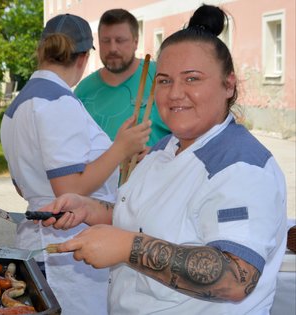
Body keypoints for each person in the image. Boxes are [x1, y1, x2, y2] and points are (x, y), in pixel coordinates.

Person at [39, 5, 288, 314]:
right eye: (165, 80)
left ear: (228, 84)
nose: (175, 94)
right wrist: (89, 208)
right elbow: (148, 219)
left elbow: (236, 278)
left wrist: (127, 247)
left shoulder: (242, 166)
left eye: (192, 79)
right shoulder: (165, 148)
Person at [0, 13, 151, 315]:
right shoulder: (58, 102)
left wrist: (118, 161)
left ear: (42, 50)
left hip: (43, 245)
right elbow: (68, 189)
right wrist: (120, 148)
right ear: (83, 57)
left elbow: (23, 185)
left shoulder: (16, 106)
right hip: (68, 253)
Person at [75, 8, 170, 145]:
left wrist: (158, 152)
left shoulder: (160, 76)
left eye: (120, 40)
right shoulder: (83, 90)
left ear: (135, 42)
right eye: (106, 41)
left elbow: (189, 131)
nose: (112, 48)